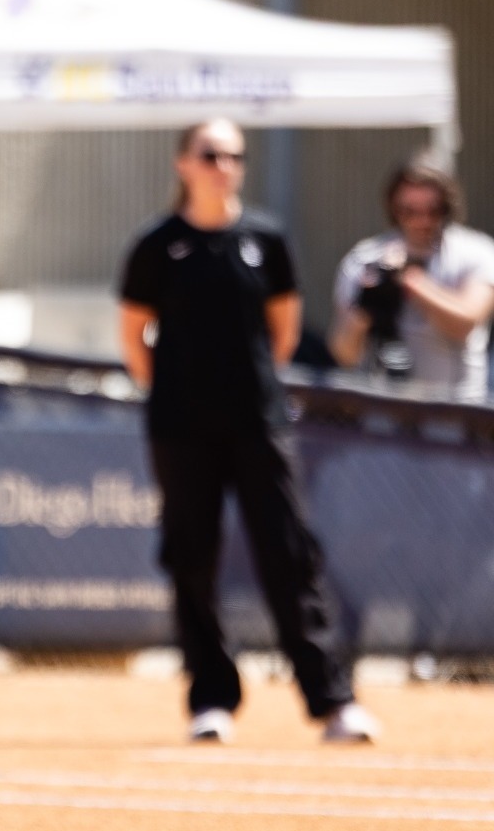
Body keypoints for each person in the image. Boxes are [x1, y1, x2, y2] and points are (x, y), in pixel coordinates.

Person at [117, 119, 378, 747]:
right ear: (183, 163)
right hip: (181, 428)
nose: (223, 165)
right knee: (192, 558)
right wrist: (179, 393)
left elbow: (282, 331)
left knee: (288, 555)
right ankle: (211, 699)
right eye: (210, 154)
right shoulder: (159, 244)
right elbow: (133, 338)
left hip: (258, 424)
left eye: (234, 155)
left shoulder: (264, 237)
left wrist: (249, 387)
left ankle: (331, 701)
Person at [329, 162, 494, 399]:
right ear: (394, 209)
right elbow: (344, 355)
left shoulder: (475, 252)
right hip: (383, 407)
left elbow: (464, 324)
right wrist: (367, 307)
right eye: (410, 211)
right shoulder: (366, 258)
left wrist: (411, 281)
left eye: (432, 210)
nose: (421, 220)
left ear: (447, 208)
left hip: (455, 407)